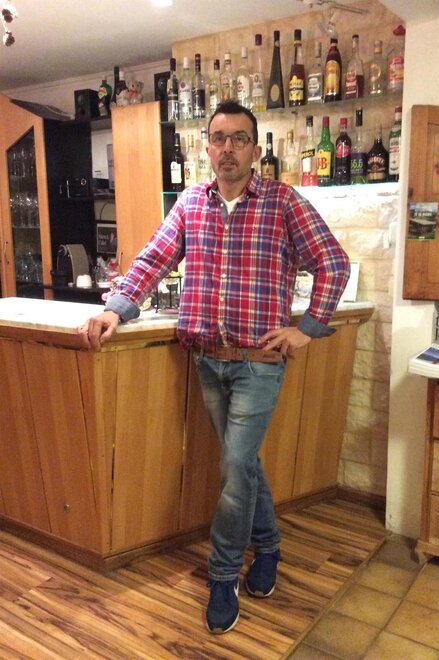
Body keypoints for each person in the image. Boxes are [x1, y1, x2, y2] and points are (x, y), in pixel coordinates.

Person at [79, 101, 350, 634]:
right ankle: (268, 547)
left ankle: (224, 576)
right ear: (207, 147)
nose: (228, 149)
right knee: (240, 466)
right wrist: (116, 308)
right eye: (219, 138)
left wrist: (307, 328)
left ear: (255, 149)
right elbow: (153, 260)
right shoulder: (189, 204)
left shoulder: (283, 202)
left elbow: (332, 263)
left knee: (235, 467)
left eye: (239, 139)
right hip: (207, 361)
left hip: (259, 363)